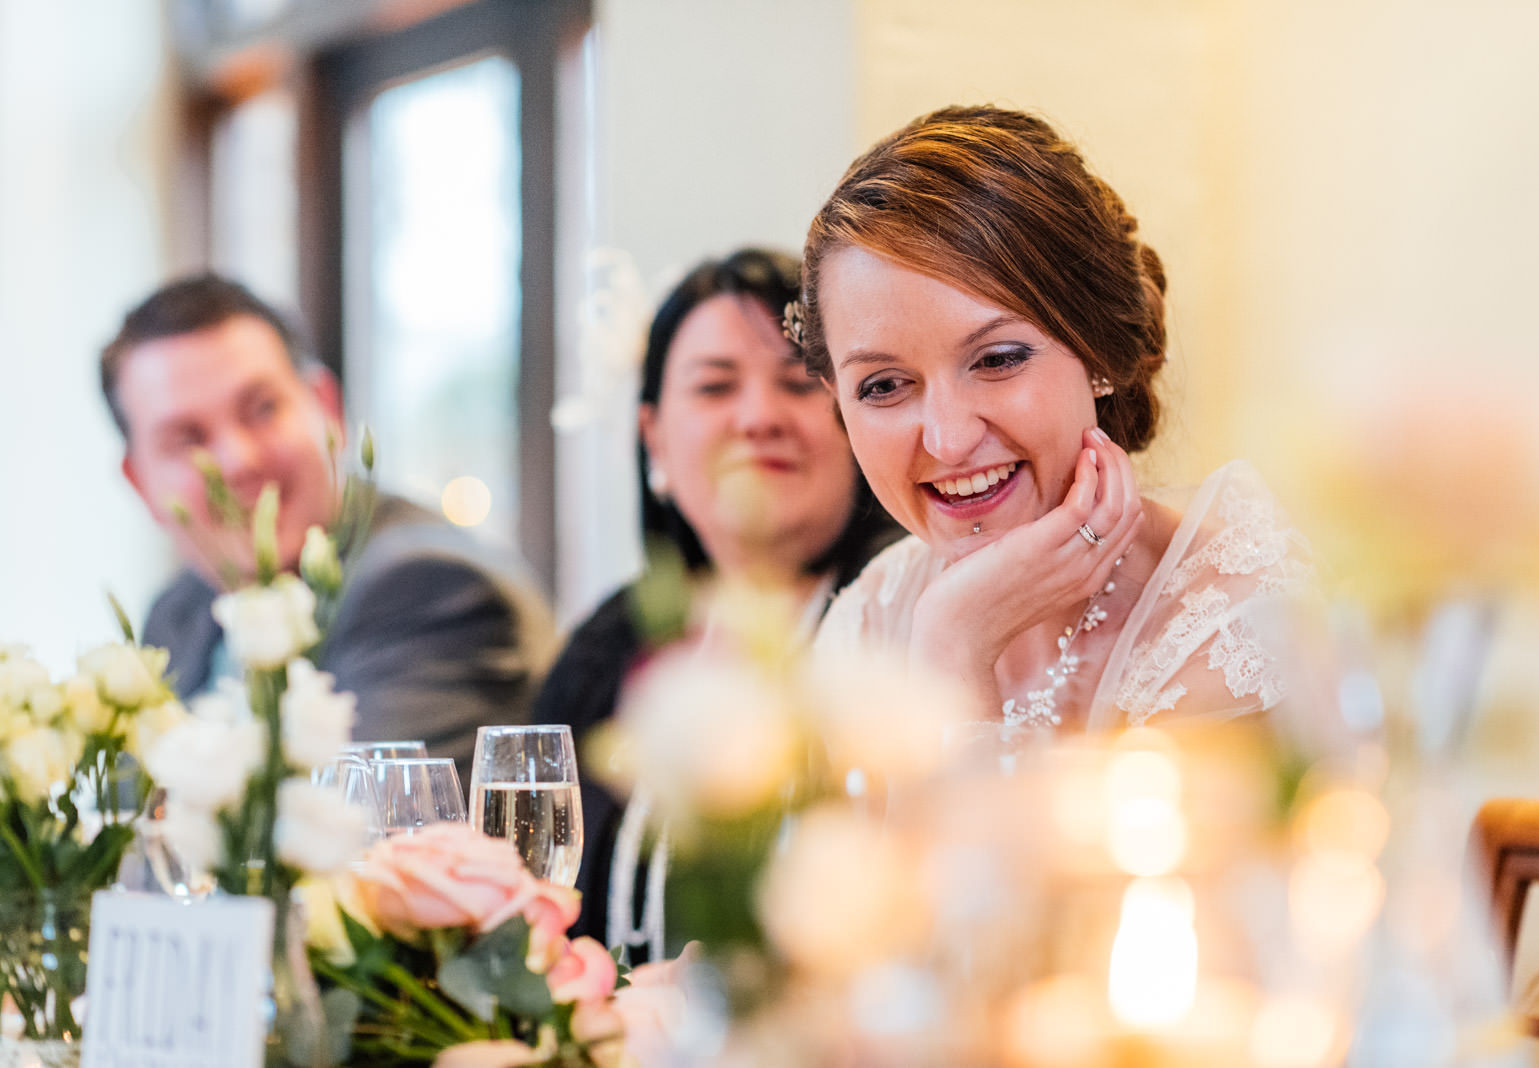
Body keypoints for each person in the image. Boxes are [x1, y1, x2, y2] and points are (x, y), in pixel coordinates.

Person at [799, 106, 1313, 729]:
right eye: (883, 386)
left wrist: (954, 652)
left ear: (1096, 350)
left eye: (997, 359)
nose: (948, 438)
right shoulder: (869, 625)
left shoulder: (1242, 622)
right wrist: (954, 636)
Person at [531, 248, 901, 954]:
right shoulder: (604, 651)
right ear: (654, 438)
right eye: (715, 387)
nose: (759, 417)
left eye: (797, 383)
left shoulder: (897, 614)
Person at [101, 273, 559, 774]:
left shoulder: (430, 592)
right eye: (187, 439)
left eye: (262, 410)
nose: (236, 460)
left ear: (328, 408)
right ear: (139, 480)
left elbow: (354, 833)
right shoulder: (177, 613)